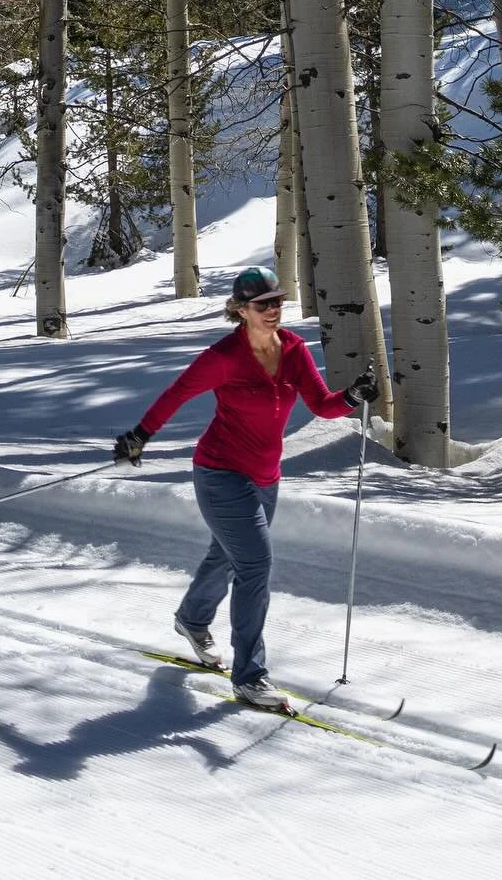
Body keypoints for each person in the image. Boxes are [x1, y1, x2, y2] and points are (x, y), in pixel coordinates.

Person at [113, 264, 378, 712]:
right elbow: (177, 392)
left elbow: (322, 406)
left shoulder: (293, 349)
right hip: (220, 472)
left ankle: (192, 620)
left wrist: (352, 396)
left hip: (265, 477)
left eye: (278, 301)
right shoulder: (225, 357)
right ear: (240, 309)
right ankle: (250, 677)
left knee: (228, 556)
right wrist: (141, 434)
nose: (274, 310)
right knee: (255, 565)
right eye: (263, 304)